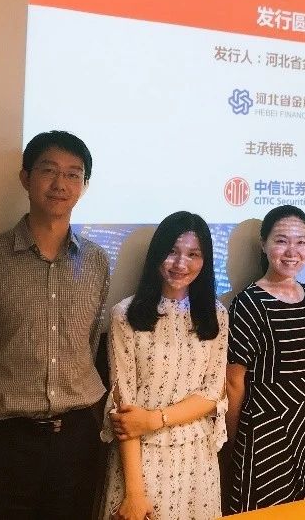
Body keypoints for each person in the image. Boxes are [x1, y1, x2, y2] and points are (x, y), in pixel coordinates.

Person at [0, 130, 110, 519]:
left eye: (73, 174)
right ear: (26, 177)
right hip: (4, 441)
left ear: (84, 186)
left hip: (76, 440)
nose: (60, 184)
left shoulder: (96, 262)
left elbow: (88, 345)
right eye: (48, 170)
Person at [101, 211, 228, 520]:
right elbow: (123, 407)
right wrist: (135, 493)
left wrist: (155, 419)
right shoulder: (125, 315)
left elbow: (212, 393)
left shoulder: (215, 315)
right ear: (156, 254)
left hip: (196, 458)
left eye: (193, 254)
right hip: (140, 461)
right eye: (172, 251)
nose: (181, 263)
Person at [225, 205, 305, 513]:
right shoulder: (249, 302)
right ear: (264, 244)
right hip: (266, 428)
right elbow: (234, 382)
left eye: (301, 242)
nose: (291, 251)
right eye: (281, 241)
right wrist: (231, 441)